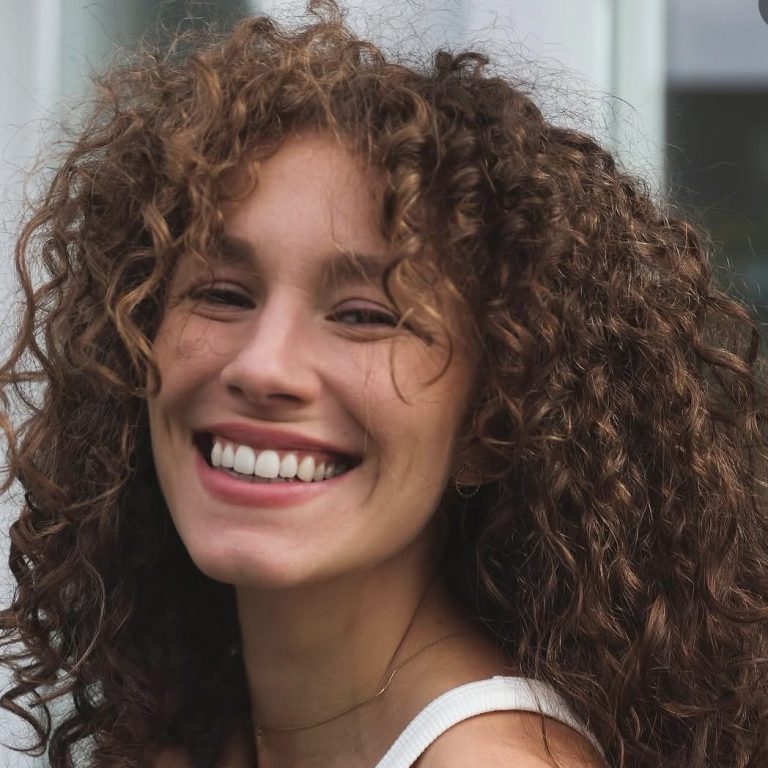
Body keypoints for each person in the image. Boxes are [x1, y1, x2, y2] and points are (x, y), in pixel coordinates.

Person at [1, 4, 767, 767]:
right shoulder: (205, 728)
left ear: (493, 420)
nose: (262, 366)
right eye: (223, 294)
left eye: (366, 315)